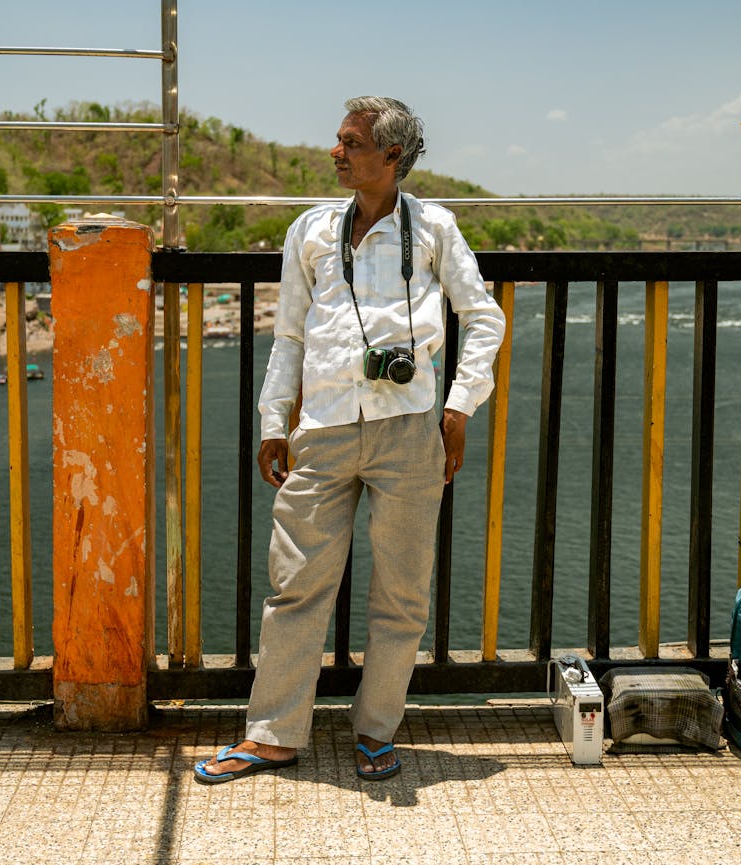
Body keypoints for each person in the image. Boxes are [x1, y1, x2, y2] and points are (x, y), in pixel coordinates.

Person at [195, 97, 505, 784]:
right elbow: (291, 336)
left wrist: (458, 407)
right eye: (337, 141)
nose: (336, 152)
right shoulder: (309, 231)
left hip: (409, 428)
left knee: (401, 593)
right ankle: (273, 734)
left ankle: (375, 729)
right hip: (326, 428)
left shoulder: (433, 228)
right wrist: (275, 420)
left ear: (391, 157)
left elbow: (483, 319)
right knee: (296, 583)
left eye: (351, 143)